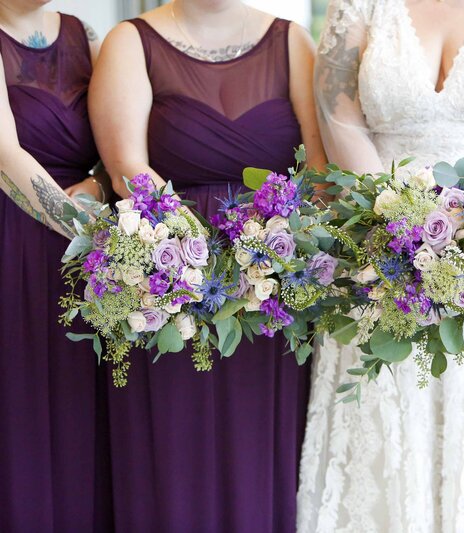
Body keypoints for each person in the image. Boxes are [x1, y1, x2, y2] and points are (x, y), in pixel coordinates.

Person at [298, 1, 464, 531]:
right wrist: (398, 224)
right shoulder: (362, 7)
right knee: (383, 428)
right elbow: (338, 117)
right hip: (378, 259)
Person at [89, 0, 325, 530]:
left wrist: (271, 247)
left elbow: (317, 165)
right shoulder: (130, 41)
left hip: (271, 279)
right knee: (173, 445)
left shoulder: (293, 42)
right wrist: (194, 252)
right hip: (167, 276)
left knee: (259, 445)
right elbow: (127, 167)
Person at [0, 1, 112, 530]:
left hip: (86, 249)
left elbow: (113, 144)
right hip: (15, 237)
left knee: (79, 403)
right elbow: (5, 154)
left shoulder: (84, 35)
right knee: (19, 401)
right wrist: (82, 227)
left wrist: (97, 186)